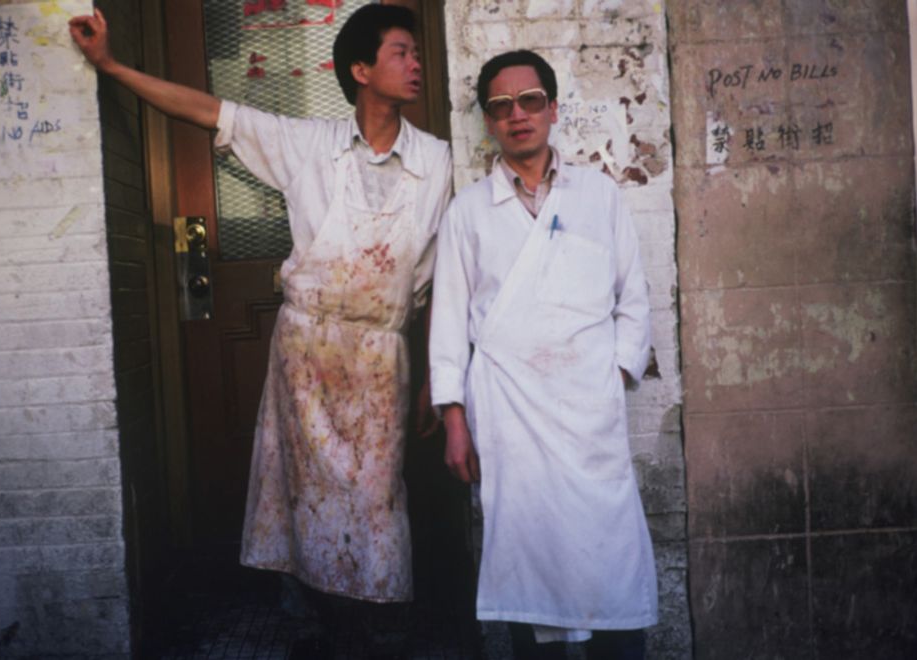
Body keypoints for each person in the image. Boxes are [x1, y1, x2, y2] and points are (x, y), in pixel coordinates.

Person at [69, 4, 451, 656]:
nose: (416, 64)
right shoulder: (307, 144)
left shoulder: (437, 160)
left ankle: (377, 629)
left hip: (383, 354)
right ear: (361, 70)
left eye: (418, 53)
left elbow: (443, 277)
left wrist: (434, 381)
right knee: (305, 495)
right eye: (401, 52)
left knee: (376, 498)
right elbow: (207, 110)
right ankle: (321, 625)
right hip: (307, 352)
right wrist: (111, 66)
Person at [429, 49, 658, 660]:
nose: (518, 115)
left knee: (610, 564)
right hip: (510, 417)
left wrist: (610, 376)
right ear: (488, 121)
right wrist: (455, 421)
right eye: (501, 106)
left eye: (530, 100)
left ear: (553, 108)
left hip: (588, 416)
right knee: (526, 567)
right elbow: (447, 324)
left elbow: (633, 300)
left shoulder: (598, 196)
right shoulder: (468, 213)